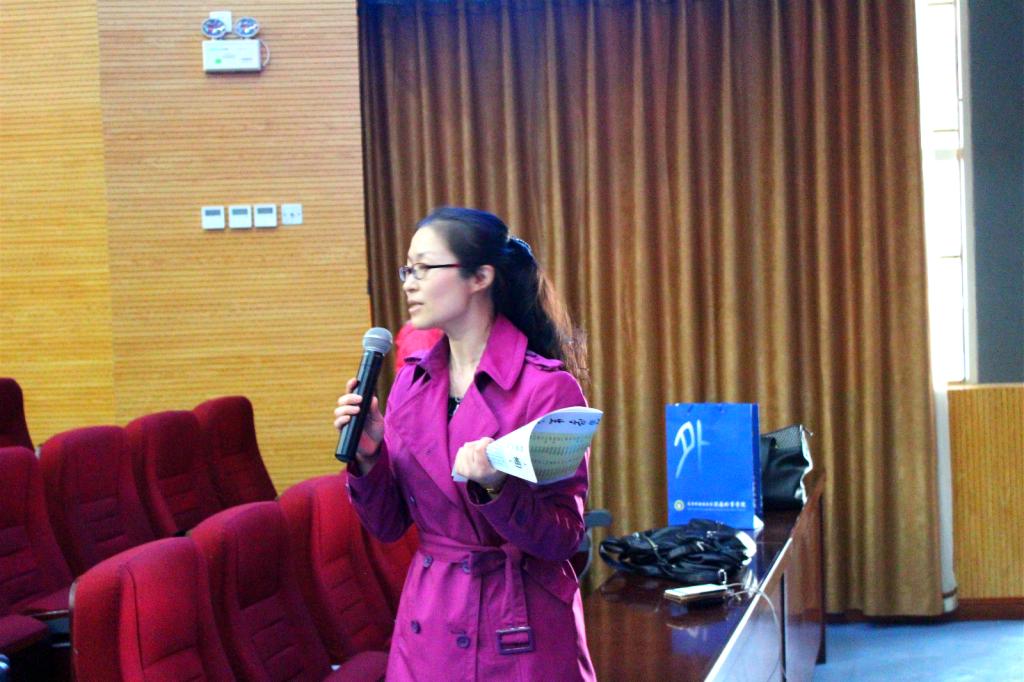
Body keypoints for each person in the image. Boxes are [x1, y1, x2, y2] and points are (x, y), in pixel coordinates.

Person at [333, 207, 595, 681]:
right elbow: (388, 526)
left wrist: (497, 489)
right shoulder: (410, 383)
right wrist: (370, 459)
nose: (409, 284)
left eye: (423, 268)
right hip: (431, 618)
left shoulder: (548, 389)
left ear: (479, 277)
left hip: (518, 625)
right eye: (407, 270)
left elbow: (563, 537)